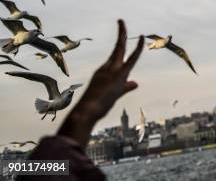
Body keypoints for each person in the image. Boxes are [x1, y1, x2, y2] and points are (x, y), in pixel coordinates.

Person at [17, 20, 144, 181]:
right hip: (54, 108)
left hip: (59, 123)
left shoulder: (47, 164)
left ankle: (51, 110)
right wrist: (86, 111)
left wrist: (85, 111)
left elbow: (45, 174)